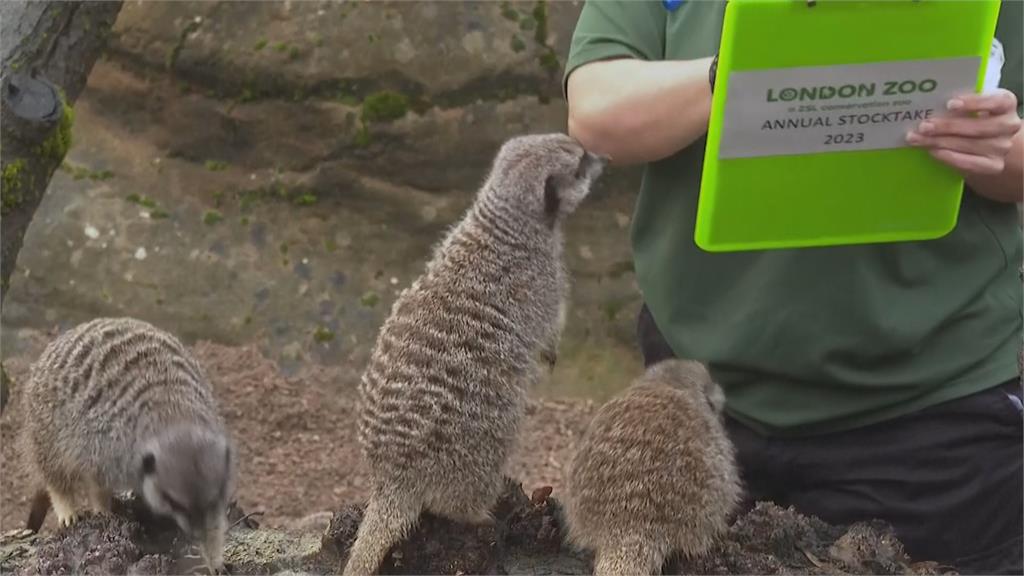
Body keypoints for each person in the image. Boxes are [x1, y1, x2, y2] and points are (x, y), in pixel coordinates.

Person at [563, 1, 1023, 574]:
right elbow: (597, 112)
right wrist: (753, 69)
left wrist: (998, 146)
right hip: (700, 399)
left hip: (929, 414)